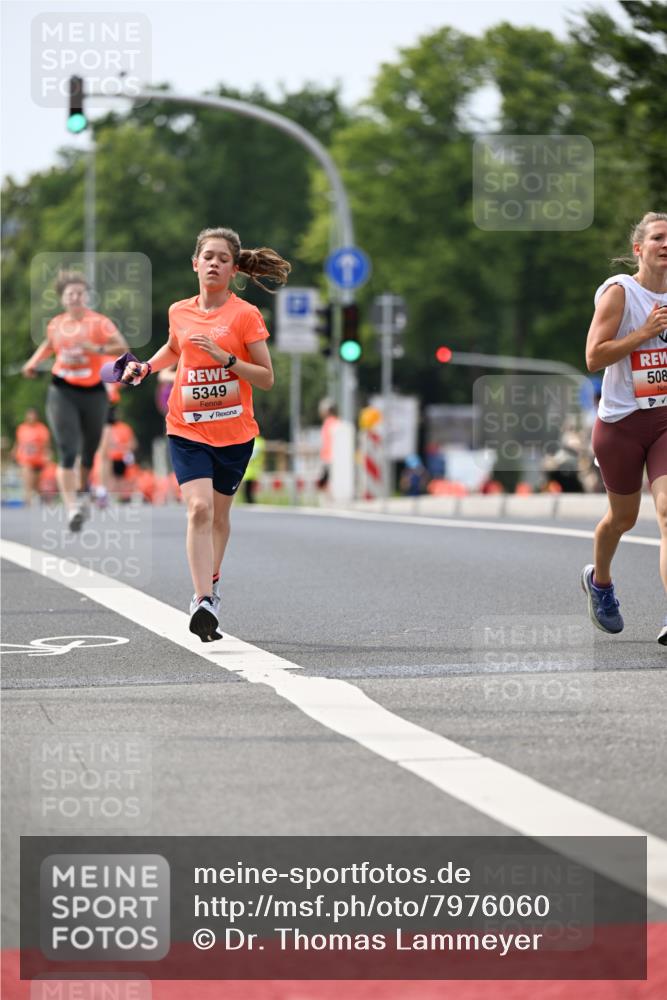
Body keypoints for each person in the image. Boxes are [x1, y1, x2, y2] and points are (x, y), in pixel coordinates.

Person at [119, 226, 290, 642]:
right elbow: (176, 348)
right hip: (186, 428)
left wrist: (228, 359)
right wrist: (145, 367)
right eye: (207, 256)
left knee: (219, 516)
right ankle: (204, 600)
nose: (214, 263)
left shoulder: (246, 315)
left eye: (223, 259)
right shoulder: (180, 311)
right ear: (195, 264)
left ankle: (211, 580)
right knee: (199, 511)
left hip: (234, 433)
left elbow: (266, 378)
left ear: (233, 270)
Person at [581, 212, 667, 643]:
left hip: (665, 419)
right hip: (620, 424)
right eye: (658, 237)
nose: (665, 244)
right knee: (623, 518)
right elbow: (594, 358)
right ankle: (600, 582)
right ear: (639, 248)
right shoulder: (620, 293)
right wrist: (645, 333)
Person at [21, 271, 128, 530]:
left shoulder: (99, 323)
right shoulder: (56, 323)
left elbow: (123, 348)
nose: (76, 298)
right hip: (62, 390)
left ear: (87, 296)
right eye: (70, 294)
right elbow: (49, 344)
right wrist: (33, 363)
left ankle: (81, 493)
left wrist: (97, 349)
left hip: (93, 393)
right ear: (63, 299)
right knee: (68, 450)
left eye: (80, 293)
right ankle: (71, 509)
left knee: (89, 453)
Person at [11, 408, 51, 504]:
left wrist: (47, 455)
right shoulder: (22, 428)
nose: (31, 417)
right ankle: (27, 499)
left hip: (38, 460)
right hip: (25, 459)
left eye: (33, 415)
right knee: (27, 477)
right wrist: (14, 451)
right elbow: (18, 442)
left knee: (36, 484)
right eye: (29, 415)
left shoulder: (42, 429)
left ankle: (43, 498)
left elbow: (46, 445)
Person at [317, 400, 339, 492]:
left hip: (328, 458)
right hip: (332, 457)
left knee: (324, 484)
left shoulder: (329, 423)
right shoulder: (337, 422)